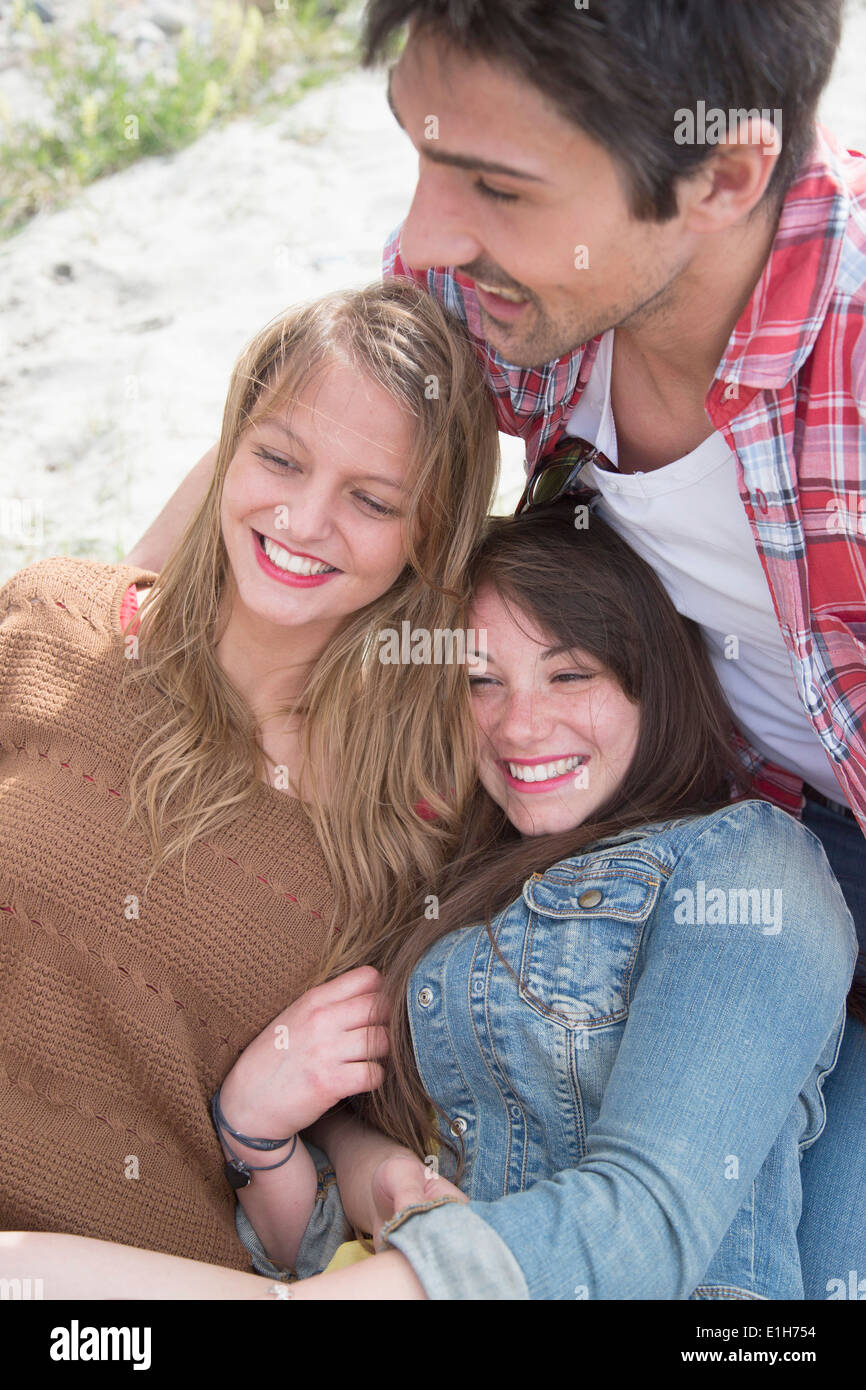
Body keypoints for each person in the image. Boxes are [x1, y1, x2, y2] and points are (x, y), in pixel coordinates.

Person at [124, 0, 866, 1298]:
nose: (421, 234)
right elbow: (312, 426)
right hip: (695, 792)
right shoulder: (495, 287)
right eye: (423, 156)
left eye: (495, 186)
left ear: (723, 175)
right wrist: (110, 636)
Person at [6, 505, 855, 1299]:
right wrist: (259, 1137)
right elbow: (328, 1241)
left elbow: (649, 1219)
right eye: (482, 682)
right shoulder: (447, 894)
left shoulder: (745, 865)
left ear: (653, 681)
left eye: (570, 674)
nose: (520, 726)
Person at [0, 278, 499, 1272]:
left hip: (133, 1285)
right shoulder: (54, 625)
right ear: (228, 450)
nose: (304, 518)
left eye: (371, 500)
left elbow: (326, 1141)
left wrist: (329, 1150)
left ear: (425, 537)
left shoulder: (399, 837)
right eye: (277, 457)